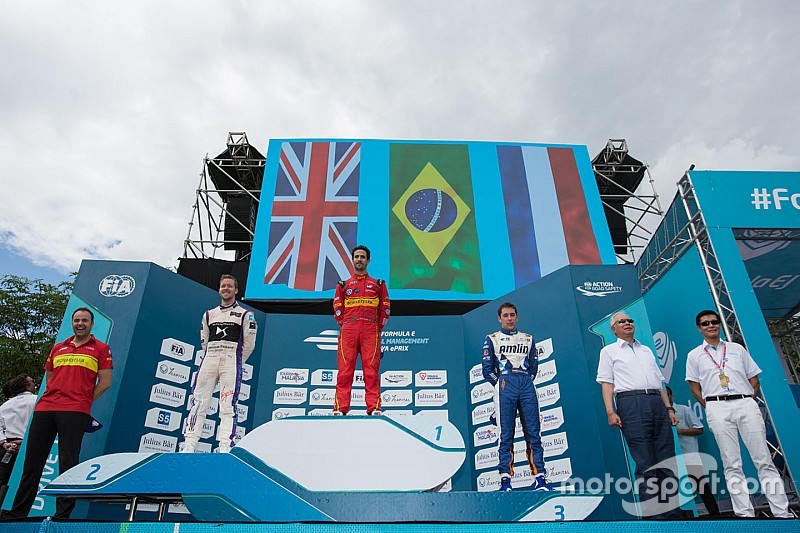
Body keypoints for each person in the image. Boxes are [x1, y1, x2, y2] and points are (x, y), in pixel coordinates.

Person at [1, 308, 112, 520]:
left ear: (91, 324)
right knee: (32, 463)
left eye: (84, 321)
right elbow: (50, 379)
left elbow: (105, 382)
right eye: (77, 320)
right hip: (45, 409)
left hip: (75, 410)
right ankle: (17, 512)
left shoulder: (101, 349)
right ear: (73, 323)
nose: (80, 323)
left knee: (68, 463)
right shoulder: (58, 348)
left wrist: (83, 400)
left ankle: (62, 514)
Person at [685, 309, 791, 518]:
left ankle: (781, 511)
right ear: (699, 328)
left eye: (714, 322)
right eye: (705, 323)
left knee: (763, 459)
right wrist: (710, 405)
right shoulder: (694, 355)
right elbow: (694, 387)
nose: (711, 325)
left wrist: (749, 400)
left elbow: (754, 378)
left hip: (745, 403)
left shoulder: (737, 349)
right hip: (717, 407)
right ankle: (744, 512)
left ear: (720, 324)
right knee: (731, 462)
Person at [596, 311, 679, 518]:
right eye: (621, 321)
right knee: (645, 462)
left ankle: (673, 512)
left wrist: (669, 408)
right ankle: (654, 515)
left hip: (656, 402)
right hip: (631, 403)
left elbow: (659, 383)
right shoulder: (609, 351)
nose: (627, 323)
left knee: (666, 459)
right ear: (613, 328)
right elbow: (607, 383)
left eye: (630, 320)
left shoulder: (647, 350)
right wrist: (610, 411)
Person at [183, 274, 257, 453]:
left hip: (231, 360)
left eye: (229, 286)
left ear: (236, 290)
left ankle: (225, 445)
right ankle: (189, 444)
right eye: (223, 286)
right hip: (210, 358)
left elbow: (250, 344)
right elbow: (204, 340)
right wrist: (212, 354)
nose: (226, 289)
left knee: (228, 404)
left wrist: (237, 361)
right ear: (219, 289)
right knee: (199, 401)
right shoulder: (209, 314)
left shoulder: (246, 314)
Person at [482, 302, 550, 492]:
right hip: (505, 385)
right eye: (506, 315)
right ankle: (505, 481)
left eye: (512, 315)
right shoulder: (492, 339)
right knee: (505, 435)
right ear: (499, 318)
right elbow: (487, 370)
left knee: (534, 434)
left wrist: (526, 380)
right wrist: (500, 385)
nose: (509, 318)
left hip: (526, 384)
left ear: (517, 317)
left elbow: (534, 366)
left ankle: (540, 479)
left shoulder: (528, 338)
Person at [332, 245, 390, 415]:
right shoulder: (343, 285)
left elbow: (385, 308)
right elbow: (337, 307)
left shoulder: (378, 284)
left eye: (362, 257)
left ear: (368, 261)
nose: (359, 259)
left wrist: (376, 327)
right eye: (356, 256)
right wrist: (345, 324)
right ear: (352, 260)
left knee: (371, 372)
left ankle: (374, 408)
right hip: (349, 329)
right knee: (344, 372)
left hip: (371, 330)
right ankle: (340, 408)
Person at [665, 385, 720, 516]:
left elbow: (699, 429)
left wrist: (678, 432)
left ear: (671, 396)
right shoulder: (660, 415)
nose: (666, 396)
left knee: (701, 486)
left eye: (668, 393)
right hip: (671, 458)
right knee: (674, 488)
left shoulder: (683, 410)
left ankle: (715, 514)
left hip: (689, 455)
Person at [0, 375, 37, 505]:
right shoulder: (37, 401)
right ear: (27, 385)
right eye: (32, 382)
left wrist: (5, 443)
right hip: (29, 445)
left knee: (3, 481)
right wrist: (24, 441)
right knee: (28, 479)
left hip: (7, 447)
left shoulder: (5, 405)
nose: (35, 385)